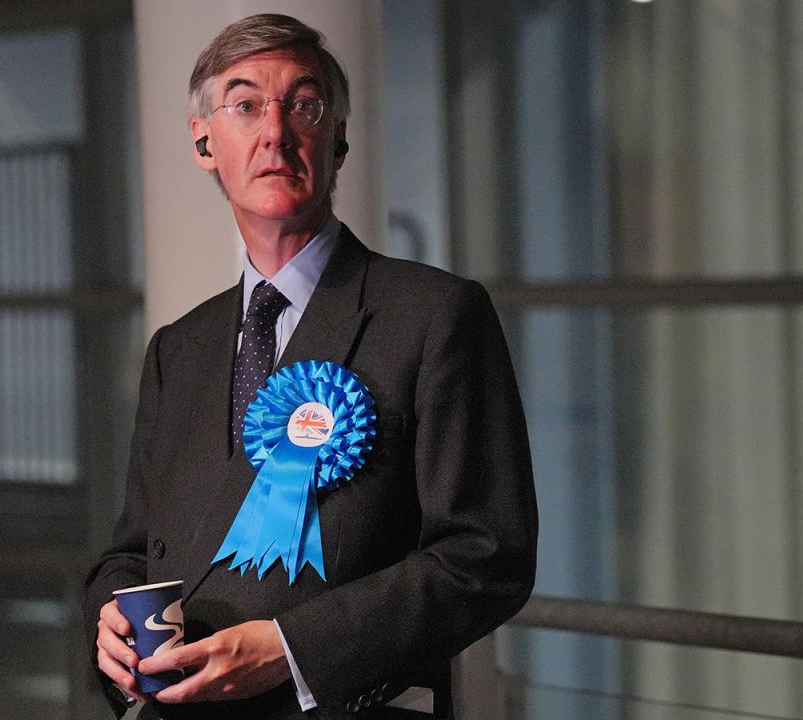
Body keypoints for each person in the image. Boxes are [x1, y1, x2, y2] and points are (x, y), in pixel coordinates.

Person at [81, 13, 537, 720]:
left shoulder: (434, 314)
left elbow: (485, 557)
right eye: (246, 105)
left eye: (304, 104)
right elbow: (133, 551)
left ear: (339, 139)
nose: (276, 131)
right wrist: (107, 620)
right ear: (204, 141)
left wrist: (293, 650)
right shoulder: (179, 347)